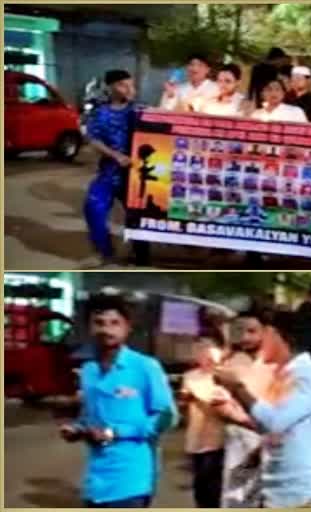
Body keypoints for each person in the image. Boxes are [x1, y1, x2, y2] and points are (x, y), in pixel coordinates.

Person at [59, 294, 177, 508]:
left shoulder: (145, 367)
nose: (107, 330)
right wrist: (77, 429)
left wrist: (116, 432)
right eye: (99, 323)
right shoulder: (88, 371)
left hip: (132, 480)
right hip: (96, 481)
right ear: (89, 328)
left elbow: (167, 417)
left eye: (115, 323)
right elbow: (89, 417)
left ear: (127, 327)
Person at [214, 310, 311, 508]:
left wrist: (237, 387)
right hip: (274, 494)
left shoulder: (310, 376)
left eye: (264, 334)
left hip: (303, 497)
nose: (256, 341)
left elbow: (274, 422)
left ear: (279, 336)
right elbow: (270, 428)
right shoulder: (281, 376)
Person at [83, 69, 150, 268]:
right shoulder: (100, 113)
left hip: (137, 175)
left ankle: (143, 258)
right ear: (110, 88)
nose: (130, 89)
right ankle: (106, 252)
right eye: (123, 85)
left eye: (131, 85)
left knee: (138, 217)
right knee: (93, 206)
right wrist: (115, 155)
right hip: (109, 172)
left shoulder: (140, 111)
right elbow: (93, 139)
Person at [217, 310, 277, 508]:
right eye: (240, 331)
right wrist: (251, 424)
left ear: (265, 332)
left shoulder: (277, 365)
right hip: (239, 439)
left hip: (272, 441)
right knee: (236, 497)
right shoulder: (229, 364)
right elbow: (221, 405)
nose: (245, 337)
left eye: (252, 331)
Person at [180, 340, 226, 508]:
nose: (206, 358)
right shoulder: (191, 377)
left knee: (214, 483)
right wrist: (185, 401)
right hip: (196, 436)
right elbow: (185, 400)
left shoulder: (223, 377)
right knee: (200, 483)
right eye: (202, 354)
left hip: (219, 438)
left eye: (209, 354)